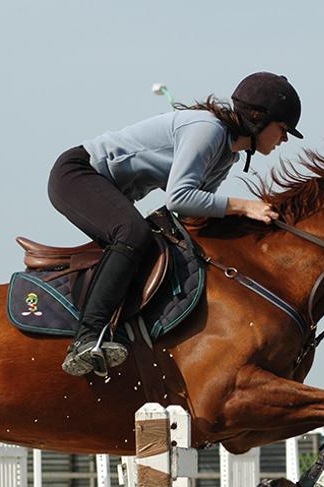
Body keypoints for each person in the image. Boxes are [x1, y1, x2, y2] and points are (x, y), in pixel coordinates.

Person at [48, 72, 303, 376]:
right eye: (283, 129)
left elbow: (195, 212)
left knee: (156, 245)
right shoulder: (208, 129)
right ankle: (88, 338)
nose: (284, 139)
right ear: (258, 118)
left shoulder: (228, 156)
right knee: (133, 234)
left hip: (105, 187)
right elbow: (180, 198)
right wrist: (244, 206)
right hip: (77, 174)